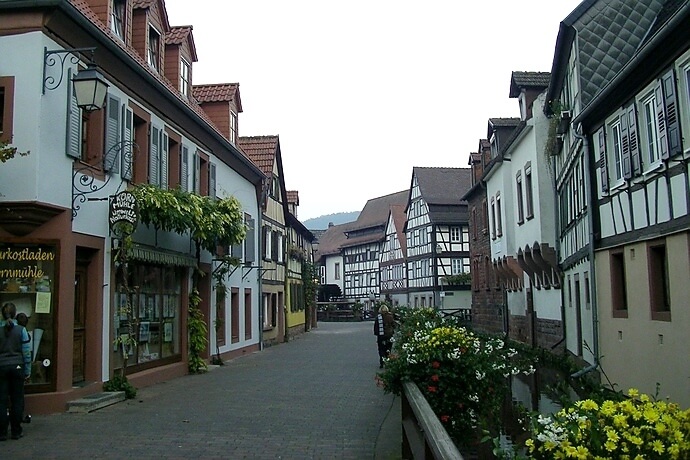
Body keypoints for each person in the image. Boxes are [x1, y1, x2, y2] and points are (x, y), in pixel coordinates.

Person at [0, 302, 32, 441]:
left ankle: (1, 432)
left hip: (1, 366)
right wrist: (27, 370)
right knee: (17, 399)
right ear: (15, 314)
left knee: (1, 400)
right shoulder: (21, 330)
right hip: (17, 366)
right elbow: (26, 353)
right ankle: (16, 430)